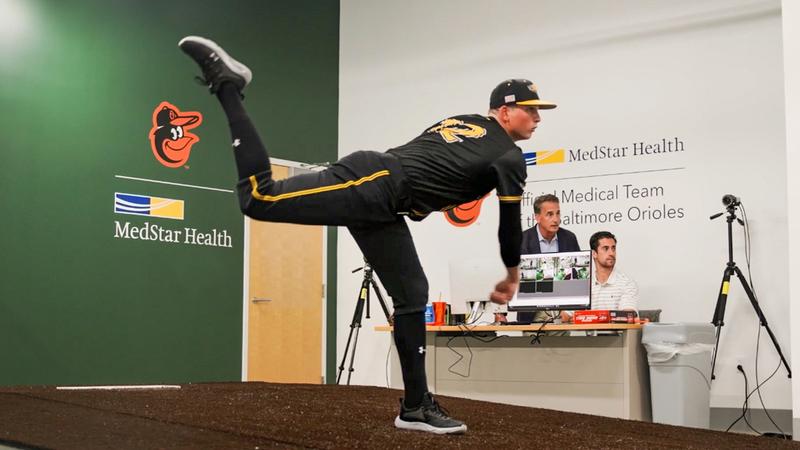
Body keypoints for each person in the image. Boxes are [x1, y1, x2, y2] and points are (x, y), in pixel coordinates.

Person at [177, 36, 557, 434]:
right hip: (375, 183)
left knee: (412, 293)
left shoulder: (467, 124)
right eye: (530, 110)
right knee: (259, 197)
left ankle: (414, 406)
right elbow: (509, 223)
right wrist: (512, 276)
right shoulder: (509, 157)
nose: (537, 118)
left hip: (383, 199)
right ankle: (229, 86)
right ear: (504, 111)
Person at [516, 194, 579, 323]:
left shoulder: (569, 238)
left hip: (561, 309)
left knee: (561, 343)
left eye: (558, 214)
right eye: (550, 214)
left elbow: (577, 276)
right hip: (531, 311)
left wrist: (569, 311)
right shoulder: (522, 241)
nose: (556, 219)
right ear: (537, 217)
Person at [560, 231, 638, 322]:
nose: (611, 253)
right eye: (605, 248)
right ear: (594, 254)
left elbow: (627, 316)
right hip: (588, 336)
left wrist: (586, 317)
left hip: (617, 336)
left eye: (613, 248)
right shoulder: (583, 284)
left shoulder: (627, 283)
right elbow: (564, 317)